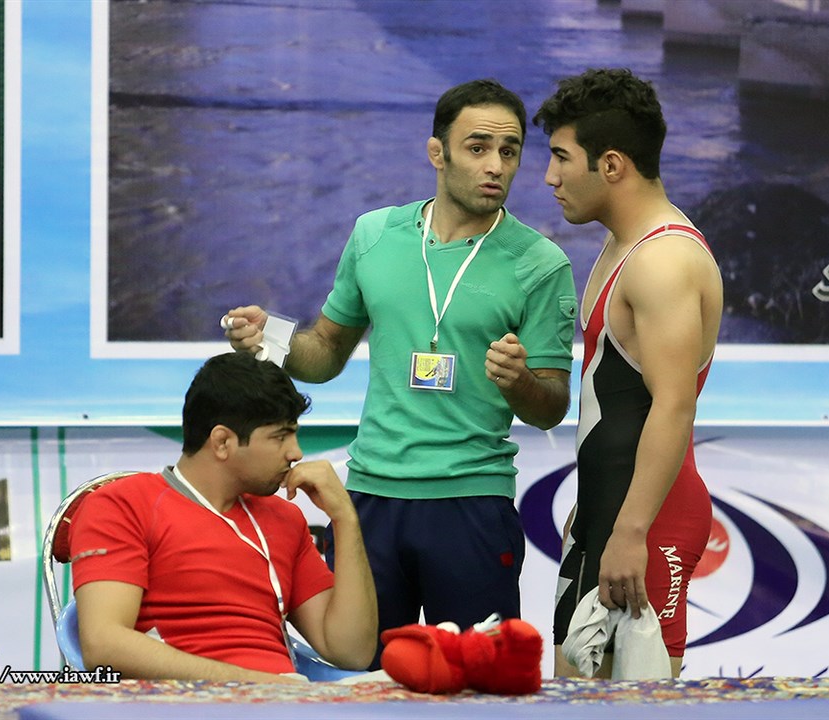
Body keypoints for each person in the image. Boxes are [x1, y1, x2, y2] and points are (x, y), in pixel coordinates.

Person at [224, 79, 578, 666]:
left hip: (471, 501)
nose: (496, 166)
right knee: (359, 679)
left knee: (476, 684)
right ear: (437, 153)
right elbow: (325, 352)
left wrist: (520, 382)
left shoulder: (541, 264)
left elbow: (552, 405)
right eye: (477, 147)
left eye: (509, 151)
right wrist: (272, 342)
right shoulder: (374, 235)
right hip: (370, 499)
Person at [533, 68, 723, 678]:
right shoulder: (622, 246)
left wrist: (633, 529)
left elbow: (673, 405)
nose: (550, 176)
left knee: (636, 711)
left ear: (611, 165)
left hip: (649, 521)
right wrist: (594, 509)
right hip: (606, 513)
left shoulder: (664, 260)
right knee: (573, 700)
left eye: (562, 157)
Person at [69, 352, 377, 681]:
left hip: (287, 698)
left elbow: (352, 652)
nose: (296, 453)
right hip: (185, 700)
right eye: (280, 436)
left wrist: (345, 518)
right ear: (222, 442)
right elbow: (103, 645)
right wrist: (261, 684)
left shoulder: (286, 518)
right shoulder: (121, 505)